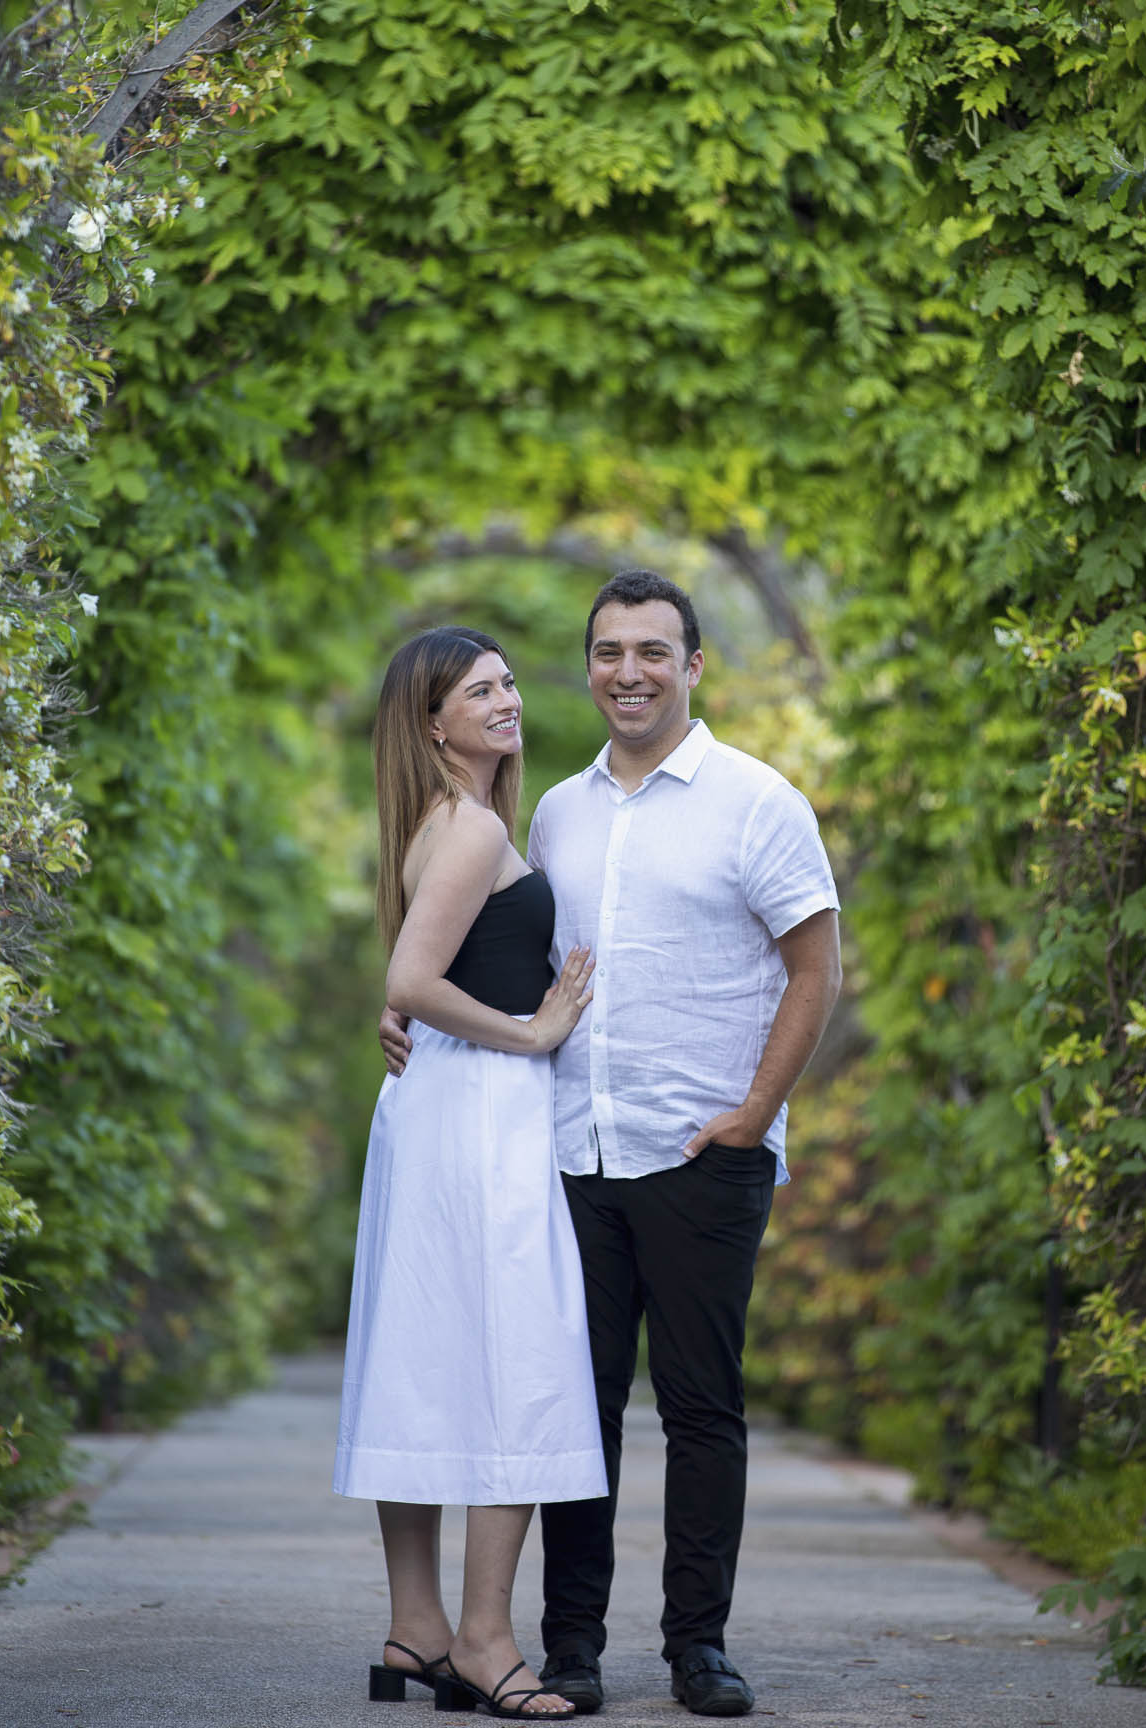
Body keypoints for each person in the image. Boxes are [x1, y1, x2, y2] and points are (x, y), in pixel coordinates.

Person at [382, 573, 842, 1719]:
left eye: (652, 650)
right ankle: (571, 1645)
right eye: (608, 651)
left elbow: (816, 968)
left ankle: (699, 1646)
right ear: (588, 665)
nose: (628, 671)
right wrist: (402, 1003)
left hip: (702, 1150)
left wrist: (754, 1114)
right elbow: (489, 947)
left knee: (701, 1407)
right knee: (569, 1409)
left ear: (694, 665)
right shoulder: (553, 811)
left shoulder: (759, 800)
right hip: (570, 1153)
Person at [336, 626, 607, 1721]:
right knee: (518, 1361)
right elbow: (413, 976)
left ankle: (418, 1630)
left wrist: (444, 1015)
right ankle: (487, 1640)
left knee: (426, 1356)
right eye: (477, 690)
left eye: (507, 682)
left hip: (441, 1107)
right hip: (483, 1112)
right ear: (432, 723)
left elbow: (416, 978)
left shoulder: (441, 821)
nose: (506, 700)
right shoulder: (472, 824)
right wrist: (534, 1030)